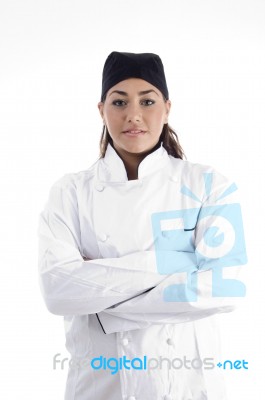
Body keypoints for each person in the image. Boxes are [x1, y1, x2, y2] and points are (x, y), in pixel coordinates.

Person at [38, 51, 247, 400]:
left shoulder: (208, 185)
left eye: (147, 101)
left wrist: (102, 297)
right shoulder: (71, 192)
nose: (133, 115)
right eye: (119, 102)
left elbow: (224, 287)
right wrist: (180, 262)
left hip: (186, 387)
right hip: (101, 386)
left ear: (166, 108)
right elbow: (58, 290)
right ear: (101, 109)